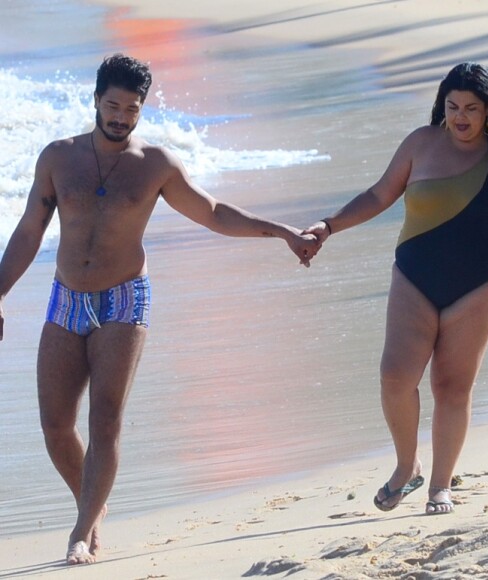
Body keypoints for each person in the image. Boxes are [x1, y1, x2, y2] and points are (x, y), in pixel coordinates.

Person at [0, 53, 320, 565]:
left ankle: (81, 532)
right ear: (95, 100)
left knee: (106, 419)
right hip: (65, 297)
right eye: (112, 105)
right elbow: (28, 231)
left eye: (132, 108)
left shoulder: (156, 165)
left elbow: (214, 212)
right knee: (56, 425)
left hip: (125, 296)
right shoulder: (57, 158)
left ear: (142, 110)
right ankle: (93, 505)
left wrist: (280, 232)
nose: (121, 117)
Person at [304, 62, 488, 516]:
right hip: (414, 275)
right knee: (395, 376)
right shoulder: (420, 144)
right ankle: (408, 467)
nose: (460, 116)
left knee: (451, 386)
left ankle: (440, 486)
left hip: (481, 282)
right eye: (452, 106)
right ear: (442, 106)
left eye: (471, 108)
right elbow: (379, 195)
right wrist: (328, 226)